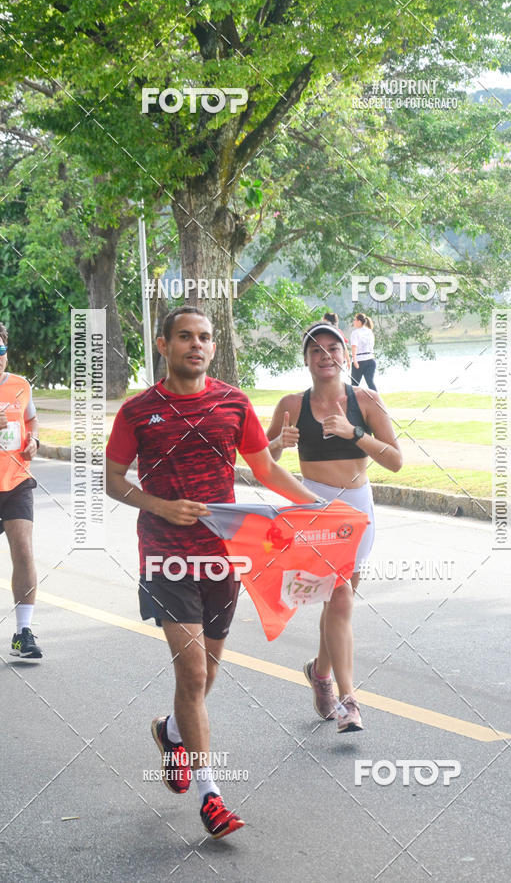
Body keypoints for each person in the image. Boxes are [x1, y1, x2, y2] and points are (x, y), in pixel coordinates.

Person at [106, 306, 319, 840]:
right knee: (194, 675)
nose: (195, 345)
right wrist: (157, 504)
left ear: (212, 348)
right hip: (166, 556)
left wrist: (316, 505)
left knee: (208, 677)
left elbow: (264, 468)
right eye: (184, 337)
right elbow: (113, 481)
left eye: (204, 337)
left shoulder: (232, 403)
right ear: (163, 345)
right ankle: (211, 797)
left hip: (222, 556)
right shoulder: (138, 412)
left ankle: (170, 732)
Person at [267, 321, 402, 732]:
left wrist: (354, 432)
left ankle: (319, 672)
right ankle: (349, 702)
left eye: (332, 349)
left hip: (357, 513)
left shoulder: (366, 400)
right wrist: (278, 444)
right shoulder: (292, 403)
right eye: (315, 350)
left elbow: (395, 460)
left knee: (338, 601)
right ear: (306, 359)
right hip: (316, 513)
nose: (325, 356)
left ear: (345, 356)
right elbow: (258, 460)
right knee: (339, 598)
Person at [0, 322, 42, 660]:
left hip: (16, 480)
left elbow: (32, 420)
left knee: (24, 551)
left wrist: (35, 441)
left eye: (0, 351)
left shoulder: (20, 385)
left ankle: (23, 632)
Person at [350, 313, 377, 391]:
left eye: (354, 320)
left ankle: (352, 402)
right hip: (371, 359)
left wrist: (354, 360)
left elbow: (354, 346)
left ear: (359, 321)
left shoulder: (355, 333)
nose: (353, 322)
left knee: (354, 384)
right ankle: (377, 401)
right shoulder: (370, 331)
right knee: (370, 383)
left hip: (359, 360)